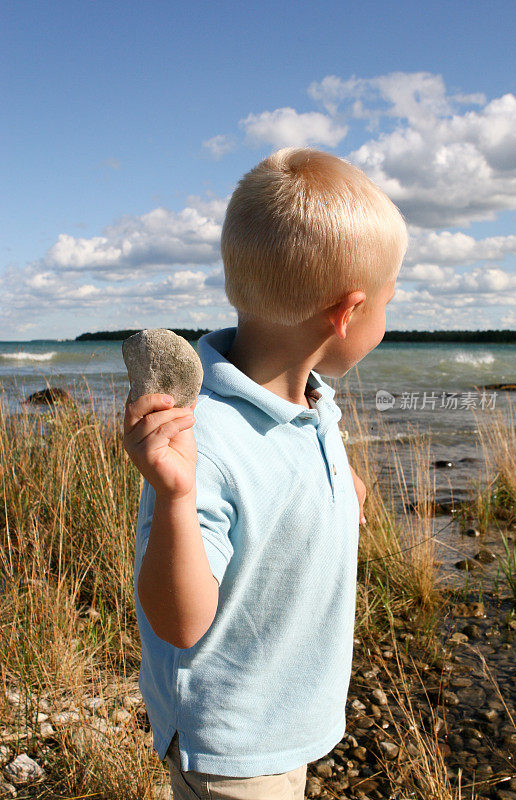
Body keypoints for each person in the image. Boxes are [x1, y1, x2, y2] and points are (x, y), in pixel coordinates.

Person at [122, 147, 408, 800]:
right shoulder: (204, 439)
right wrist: (173, 499)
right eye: (387, 303)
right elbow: (179, 622)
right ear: (345, 313)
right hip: (233, 744)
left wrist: (342, 480)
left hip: (284, 716)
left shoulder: (308, 400)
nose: (388, 321)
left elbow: (296, 452)